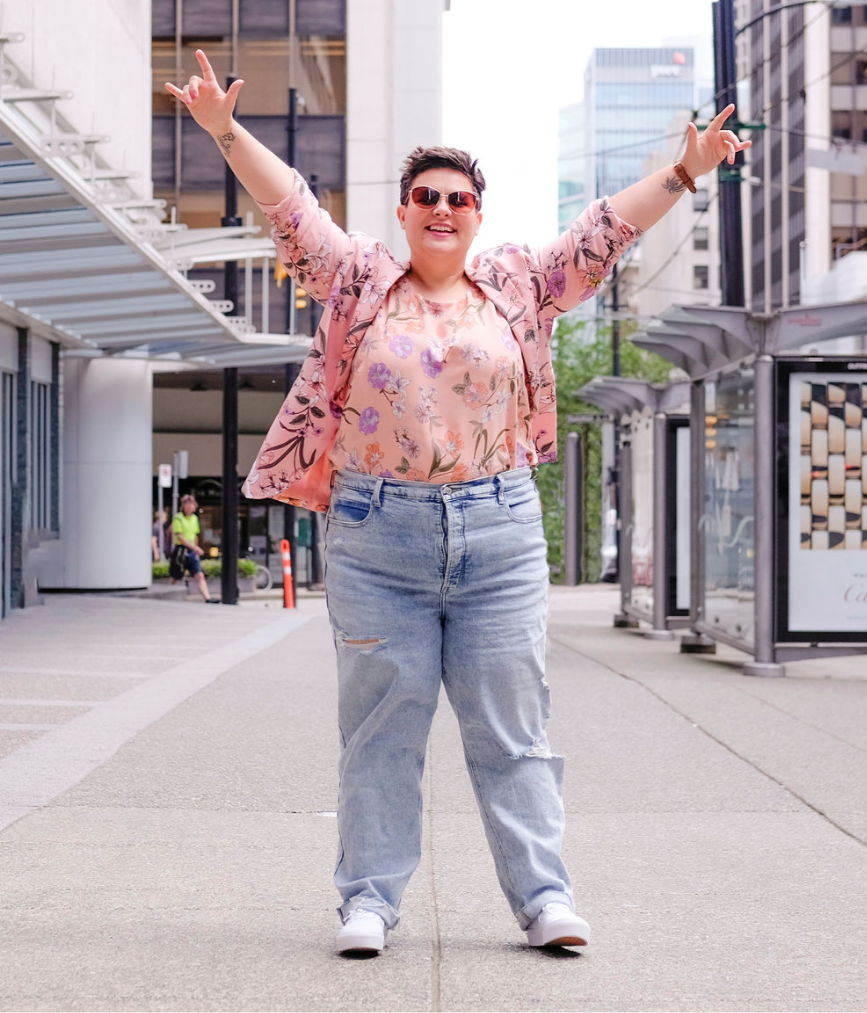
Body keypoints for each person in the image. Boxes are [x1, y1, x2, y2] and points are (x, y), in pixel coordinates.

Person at [167, 51, 750, 956]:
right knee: (379, 730)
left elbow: (601, 232)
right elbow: (292, 208)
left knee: (511, 727)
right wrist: (224, 131)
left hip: (501, 531)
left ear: (477, 216)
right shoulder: (358, 280)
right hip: (375, 531)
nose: (442, 209)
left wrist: (681, 172)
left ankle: (544, 897)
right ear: (403, 213)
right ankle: (368, 899)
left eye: (459, 199)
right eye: (426, 197)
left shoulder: (519, 284)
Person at [168, 494, 219, 604]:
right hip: (181, 550)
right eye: (189, 504)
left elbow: (195, 535)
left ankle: (207, 598)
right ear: (184, 505)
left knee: (199, 575)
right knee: (175, 576)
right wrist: (195, 548)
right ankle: (166, 595)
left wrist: (195, 549)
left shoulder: (195, 519)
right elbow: (180, 537)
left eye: (192, 504)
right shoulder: (178, 518)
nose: (191, 507)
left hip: (192, 551)